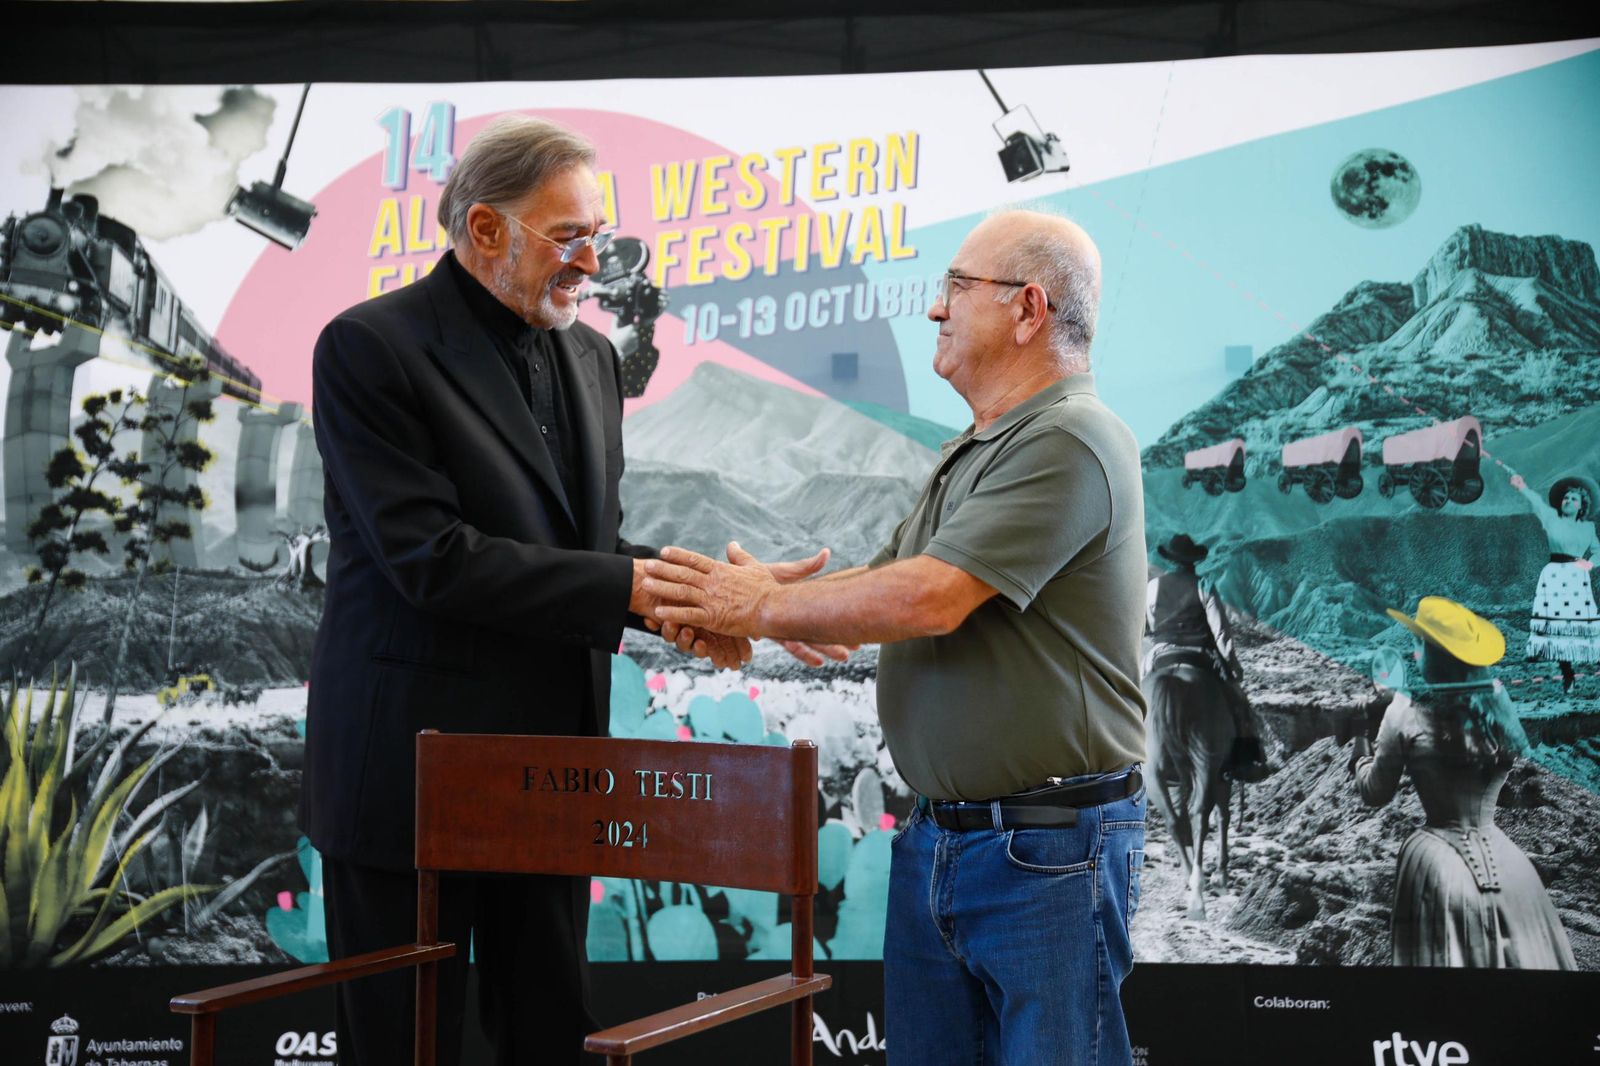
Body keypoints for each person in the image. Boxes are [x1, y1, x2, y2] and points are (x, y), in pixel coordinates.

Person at [301, 115, 815, 1066]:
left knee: (551, 1033)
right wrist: (640, 587)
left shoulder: (590, 358)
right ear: (485, 230)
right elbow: (434, 559)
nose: (590, 262)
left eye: (599, 235)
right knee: (404, 1046)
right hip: (409, 782)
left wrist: (704, 593)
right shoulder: (370, 347)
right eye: (568, 237)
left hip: (553, 772)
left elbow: (585, 547)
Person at [640, 209, 1148, 1066]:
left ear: (1028, 309)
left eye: (956, 286)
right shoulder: (982, 447)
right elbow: (883, 583)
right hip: (948, 842)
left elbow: (931, 597)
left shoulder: (1071, 439)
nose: (935, 309)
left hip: (1043, 852)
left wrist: (753, 609)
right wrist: (763, 596)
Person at [1352, 596, 1576, 969]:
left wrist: (1361, 744)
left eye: (1418, 644)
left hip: (1437, 863)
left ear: (1429, 652)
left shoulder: (1402, 711)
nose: (1415, 652)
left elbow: (1375, 792)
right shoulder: (1497, 702)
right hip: (1509, 864)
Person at [1144, 532, 1266, 781]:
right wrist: (1233, 666)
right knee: (1237, 701)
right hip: (1198, 653)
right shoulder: (1204, 585)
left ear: (1169, 560)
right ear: (1192, 562)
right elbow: (1221, 632)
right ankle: (1244, 761)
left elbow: (1146, 626)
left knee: (1134, 699)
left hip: (1159, 653)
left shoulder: (1152, 587)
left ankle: (1128, 756)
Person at [1509, 472, 1600, 694]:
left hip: (1577, 579)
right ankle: (1567, 675)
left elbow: (1598, 551)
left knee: (1579, 625)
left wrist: (1588, 564)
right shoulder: (1550, 518)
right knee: (1557, 627)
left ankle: (1594, 665)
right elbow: (1536, 501)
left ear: (1581, 506)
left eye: (1573, 499)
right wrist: (1522, 486)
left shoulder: (1587, 528)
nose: (1568, 501)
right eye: (1565, 498)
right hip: (1554, 576)